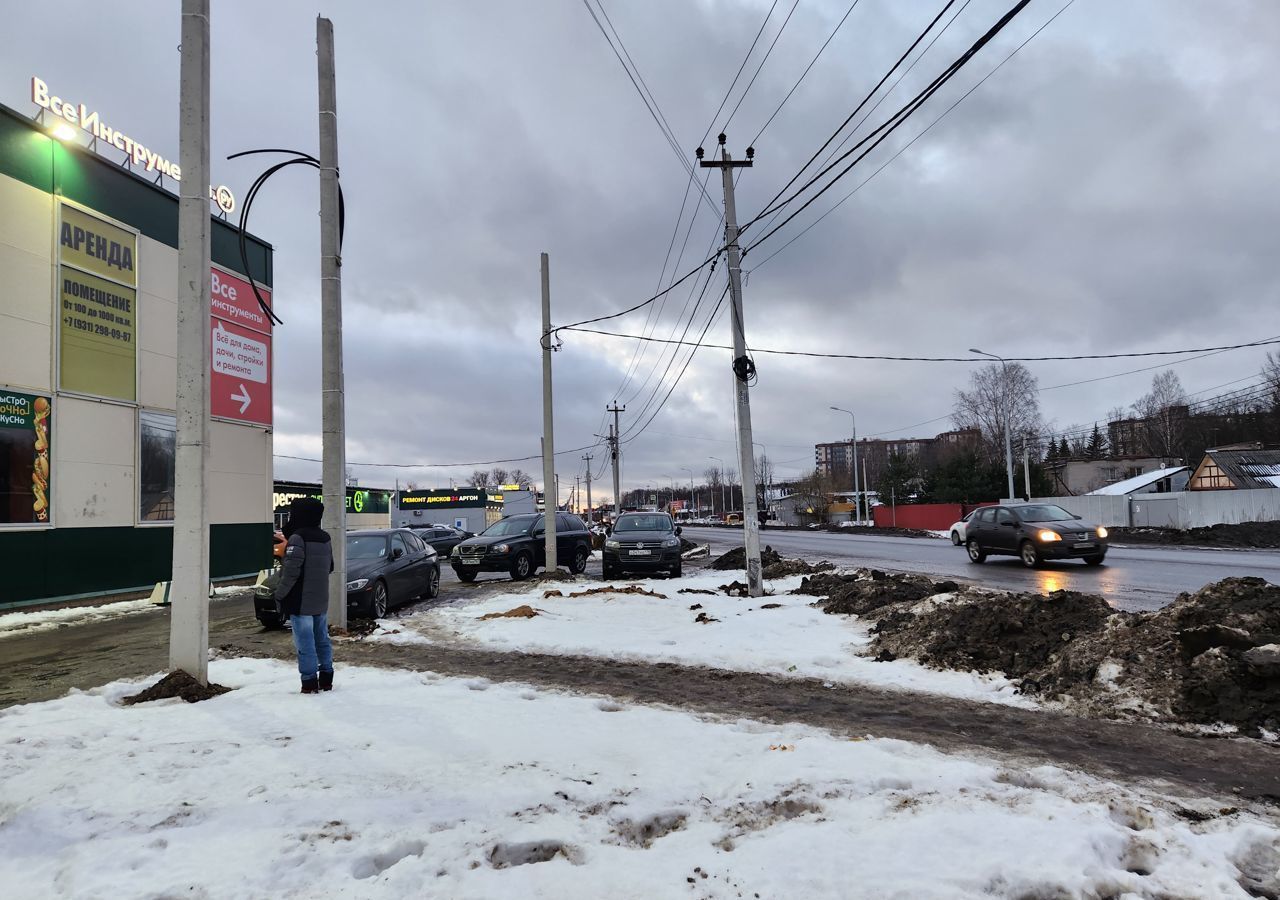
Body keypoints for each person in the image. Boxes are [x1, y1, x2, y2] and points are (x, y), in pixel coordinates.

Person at [275, 497, 335, 694]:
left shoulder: (297, 538)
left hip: (301, 600)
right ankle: (326, 677)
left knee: (305, 642)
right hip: (321, 599)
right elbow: (330, 567)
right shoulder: (325, 537)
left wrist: (280, 595)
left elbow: (291, 572)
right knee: (322, 639)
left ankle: (309, 682)